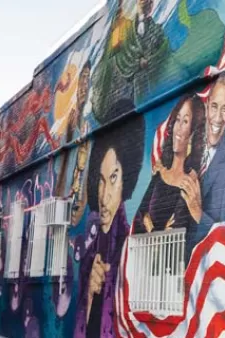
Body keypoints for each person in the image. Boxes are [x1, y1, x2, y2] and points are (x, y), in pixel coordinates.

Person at [74, 118, 144, 338]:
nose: (104, 196)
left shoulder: (129, 245)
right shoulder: (91, 235)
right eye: (101, 180)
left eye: (113, 177)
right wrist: (89, 293)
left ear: (126, 179)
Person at [179, 71, 225, 256]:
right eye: (214, 106)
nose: (217, 117)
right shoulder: (190, 152)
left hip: (201, 272)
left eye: (224, 109)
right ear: (207, 106)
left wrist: (196, 211)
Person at [133, 94, 205, 237]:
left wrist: (151, 226)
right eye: (177, 119)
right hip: (145, 255)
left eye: (185, 121)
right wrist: (153, 229)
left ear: (192, 133)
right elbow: (140, 215)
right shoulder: (160, 173)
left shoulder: (189, 183)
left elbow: (175, 231)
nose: (178, 128)